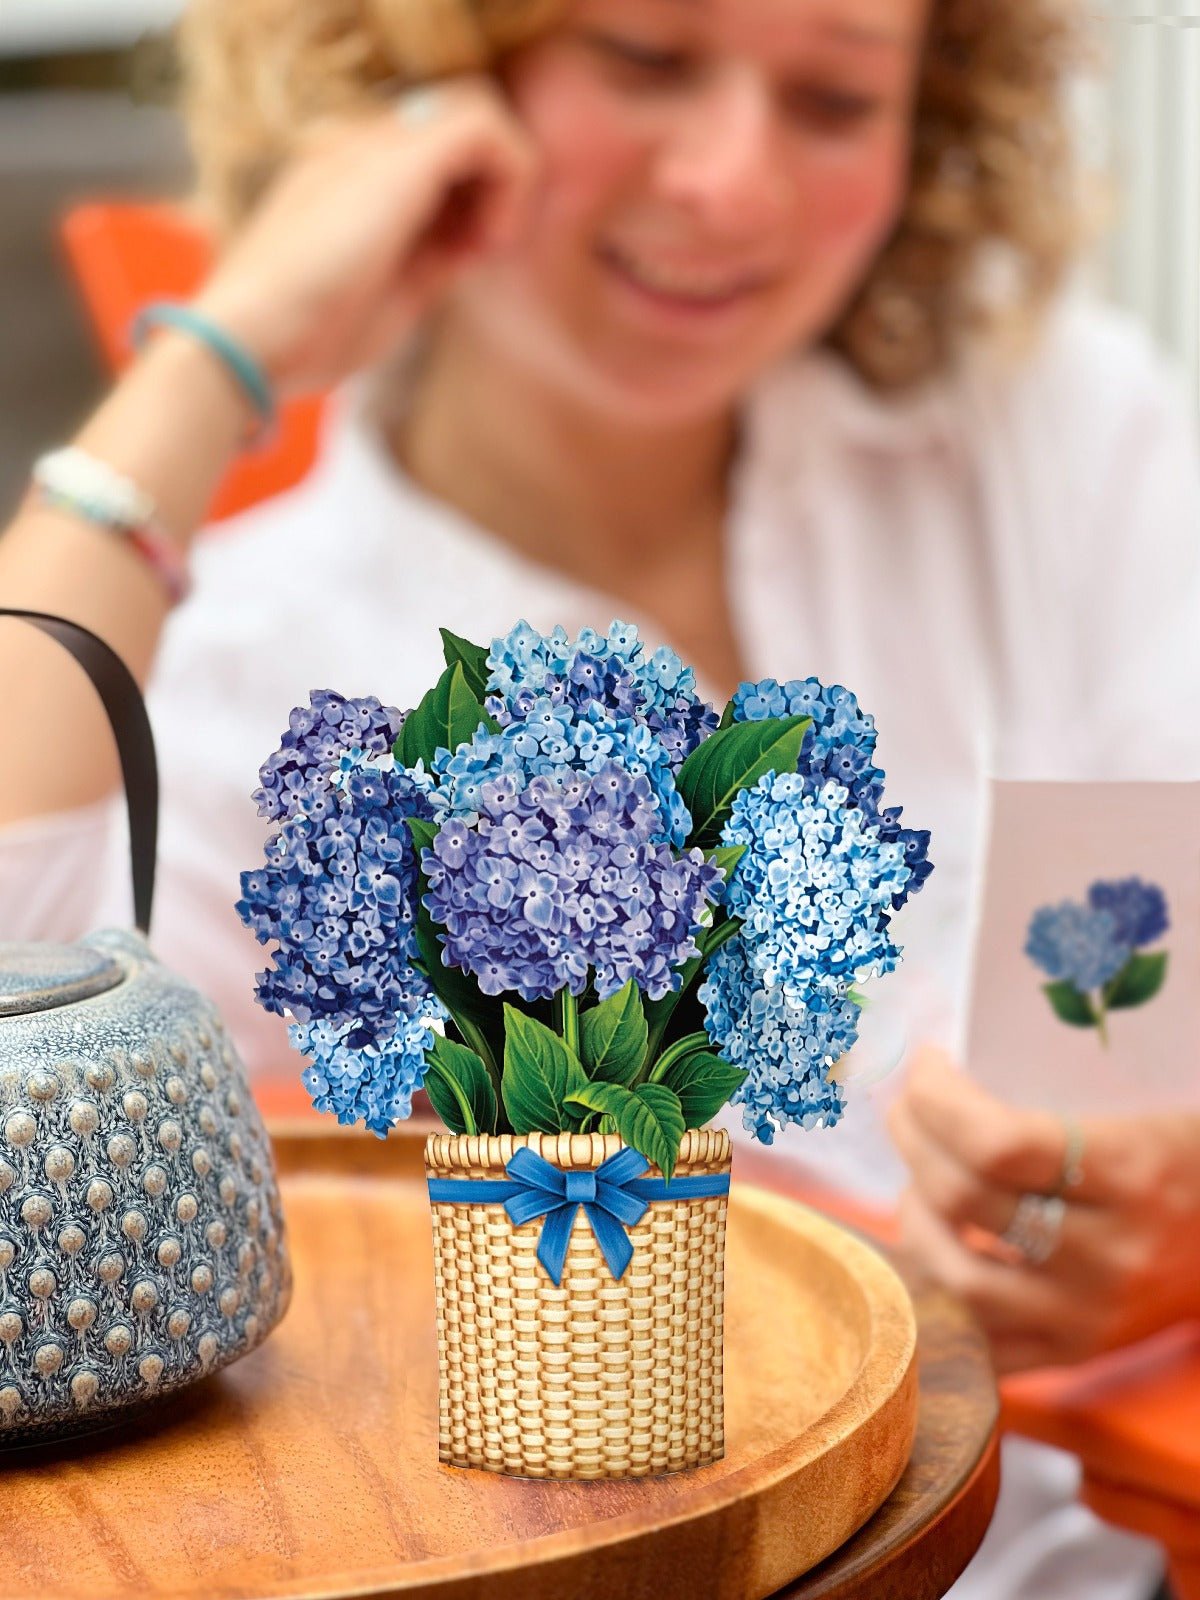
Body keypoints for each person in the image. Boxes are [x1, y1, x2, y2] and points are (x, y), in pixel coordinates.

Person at [1, 0, 1198, 1592]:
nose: (730, 185)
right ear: (426, 81)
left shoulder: (1048, 437)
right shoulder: (255, 692)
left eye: (836, 99)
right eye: (642, 58)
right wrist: (230, 350)